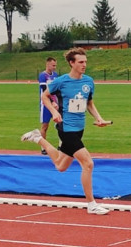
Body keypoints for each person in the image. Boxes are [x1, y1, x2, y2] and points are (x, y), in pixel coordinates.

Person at [21, 47, 113, 215]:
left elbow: (89, 103)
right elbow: (44, 97)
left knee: (61, 166)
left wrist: (98, 118)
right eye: (80, 62)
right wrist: (55, 112)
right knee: (88, 163)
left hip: (79, 128)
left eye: (85, 62)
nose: (84, 65)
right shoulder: (61, 81)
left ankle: (37, 138)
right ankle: (91, 204)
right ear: (71, 63)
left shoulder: (89, 82)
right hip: (66, 128)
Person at [37, 56, 59, 142]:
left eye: (55, 65)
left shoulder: (56, 75)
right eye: (53, 65)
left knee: (61, 125)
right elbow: (44, 89)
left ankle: (61, 146)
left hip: (56, 104)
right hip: (45, 104)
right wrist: (52, 102)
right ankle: (43, 147)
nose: (54, 67)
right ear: (48, 64)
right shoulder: (43, 75)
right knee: (45, 126)